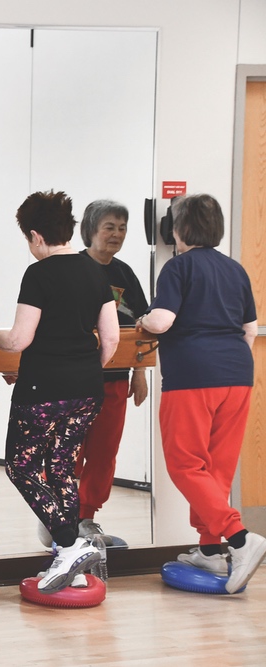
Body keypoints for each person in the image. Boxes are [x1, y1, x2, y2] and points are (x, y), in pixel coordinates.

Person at [138, 193, 266, 593]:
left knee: (185, 463)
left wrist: (143, 317)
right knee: (216, 468)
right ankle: (210, 549)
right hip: (238, 374)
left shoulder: (177, 267)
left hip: (194, 376)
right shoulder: (235, 269)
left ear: (179, 229)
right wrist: (227, 359)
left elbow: (162, 320)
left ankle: (241, 539)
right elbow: (249, 329)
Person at [0, 190, 119, 594]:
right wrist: (85, 370)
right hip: (86, 389)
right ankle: (73, 563)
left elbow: (17, 340)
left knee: (20, 466)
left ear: (35, 235)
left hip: (42, 388)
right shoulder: (95, 271)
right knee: (62, 466)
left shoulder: (39, 274)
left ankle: (69, 544)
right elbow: (112, 339)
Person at [74, 199, 149, 546]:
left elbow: (141, 328)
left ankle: (86, 516)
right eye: (109, 227)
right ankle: (60, 511)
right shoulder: (70, 268)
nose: (116, 234)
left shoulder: (124, 273)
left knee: (103, 453)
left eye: (122, 228)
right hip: (72, 377)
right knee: (67, 450)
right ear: (90, 229)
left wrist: (140, 372)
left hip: (115, 379)